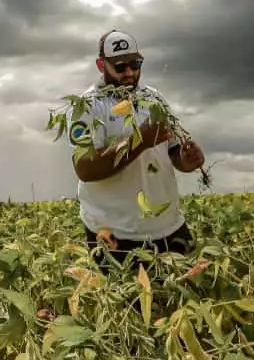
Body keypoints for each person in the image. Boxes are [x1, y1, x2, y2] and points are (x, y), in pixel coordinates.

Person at [66, 29, 205, 271]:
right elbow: (85, 168)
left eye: (135, 64)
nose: (129, 73)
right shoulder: (86, 107)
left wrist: (187, 160)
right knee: (131, 306)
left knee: (187, 298)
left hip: (169, 226)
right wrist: (139, 141)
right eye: (120, 67)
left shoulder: (155, 98)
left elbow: (172, 153)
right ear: (101, 65)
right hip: (115, 235)